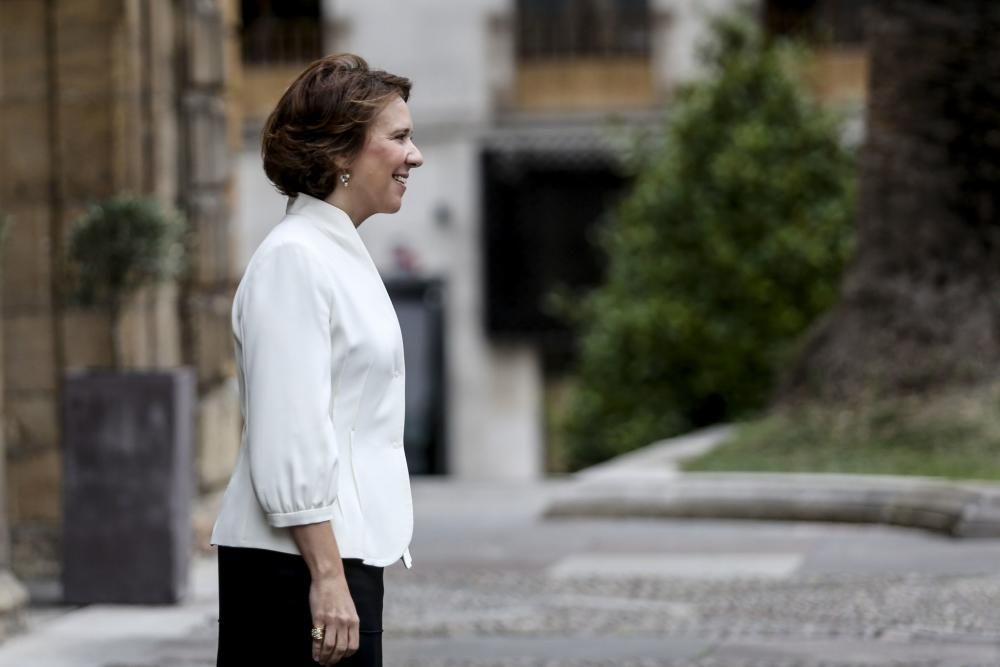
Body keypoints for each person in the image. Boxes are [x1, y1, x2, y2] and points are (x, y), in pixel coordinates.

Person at [211, 53, 423, 667]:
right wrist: (327, 578)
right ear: (338, 154)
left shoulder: (333, 251)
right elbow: (289, 433)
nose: (416, 156)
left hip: (332, 556)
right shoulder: (295, 259)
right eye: (400, 137)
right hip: (300, 568)